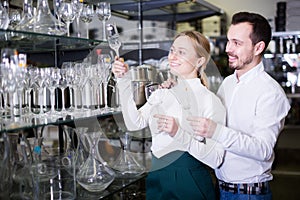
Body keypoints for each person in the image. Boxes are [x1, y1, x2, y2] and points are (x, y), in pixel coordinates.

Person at [186, 12, 291, 200]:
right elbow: (208, 113)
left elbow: (263, 150)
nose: (228, 49)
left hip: (248, 194)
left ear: (258, 47)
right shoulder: (228, 83)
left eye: (237, 43)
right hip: (220, 187)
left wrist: (215, 131)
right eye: (228, 41)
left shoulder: (271, 93)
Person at [112, 30, 226, 200]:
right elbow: (134, 123)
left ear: (200, 60)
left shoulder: (210, 100)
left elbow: (216, 159)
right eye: (172, 50)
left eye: (182, 52)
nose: (172, 56)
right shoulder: (163, 92)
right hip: (157, 176)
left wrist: (178, 133)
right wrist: (123, 80)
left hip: (189, 182)